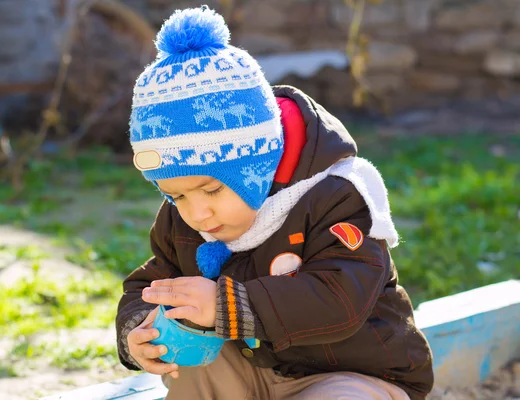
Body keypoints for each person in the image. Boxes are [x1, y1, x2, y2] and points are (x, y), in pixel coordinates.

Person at [116, 6, 434, 400]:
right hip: (250, 371)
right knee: (192, 374)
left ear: (254, 167)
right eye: (176, 195)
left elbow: (341, 298)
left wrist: (226, 304)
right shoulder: (187, 217)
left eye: (212, 190)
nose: (197, 213)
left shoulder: (334, 197)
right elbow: (151, 284)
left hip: (350, 373)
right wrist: (139, 331)